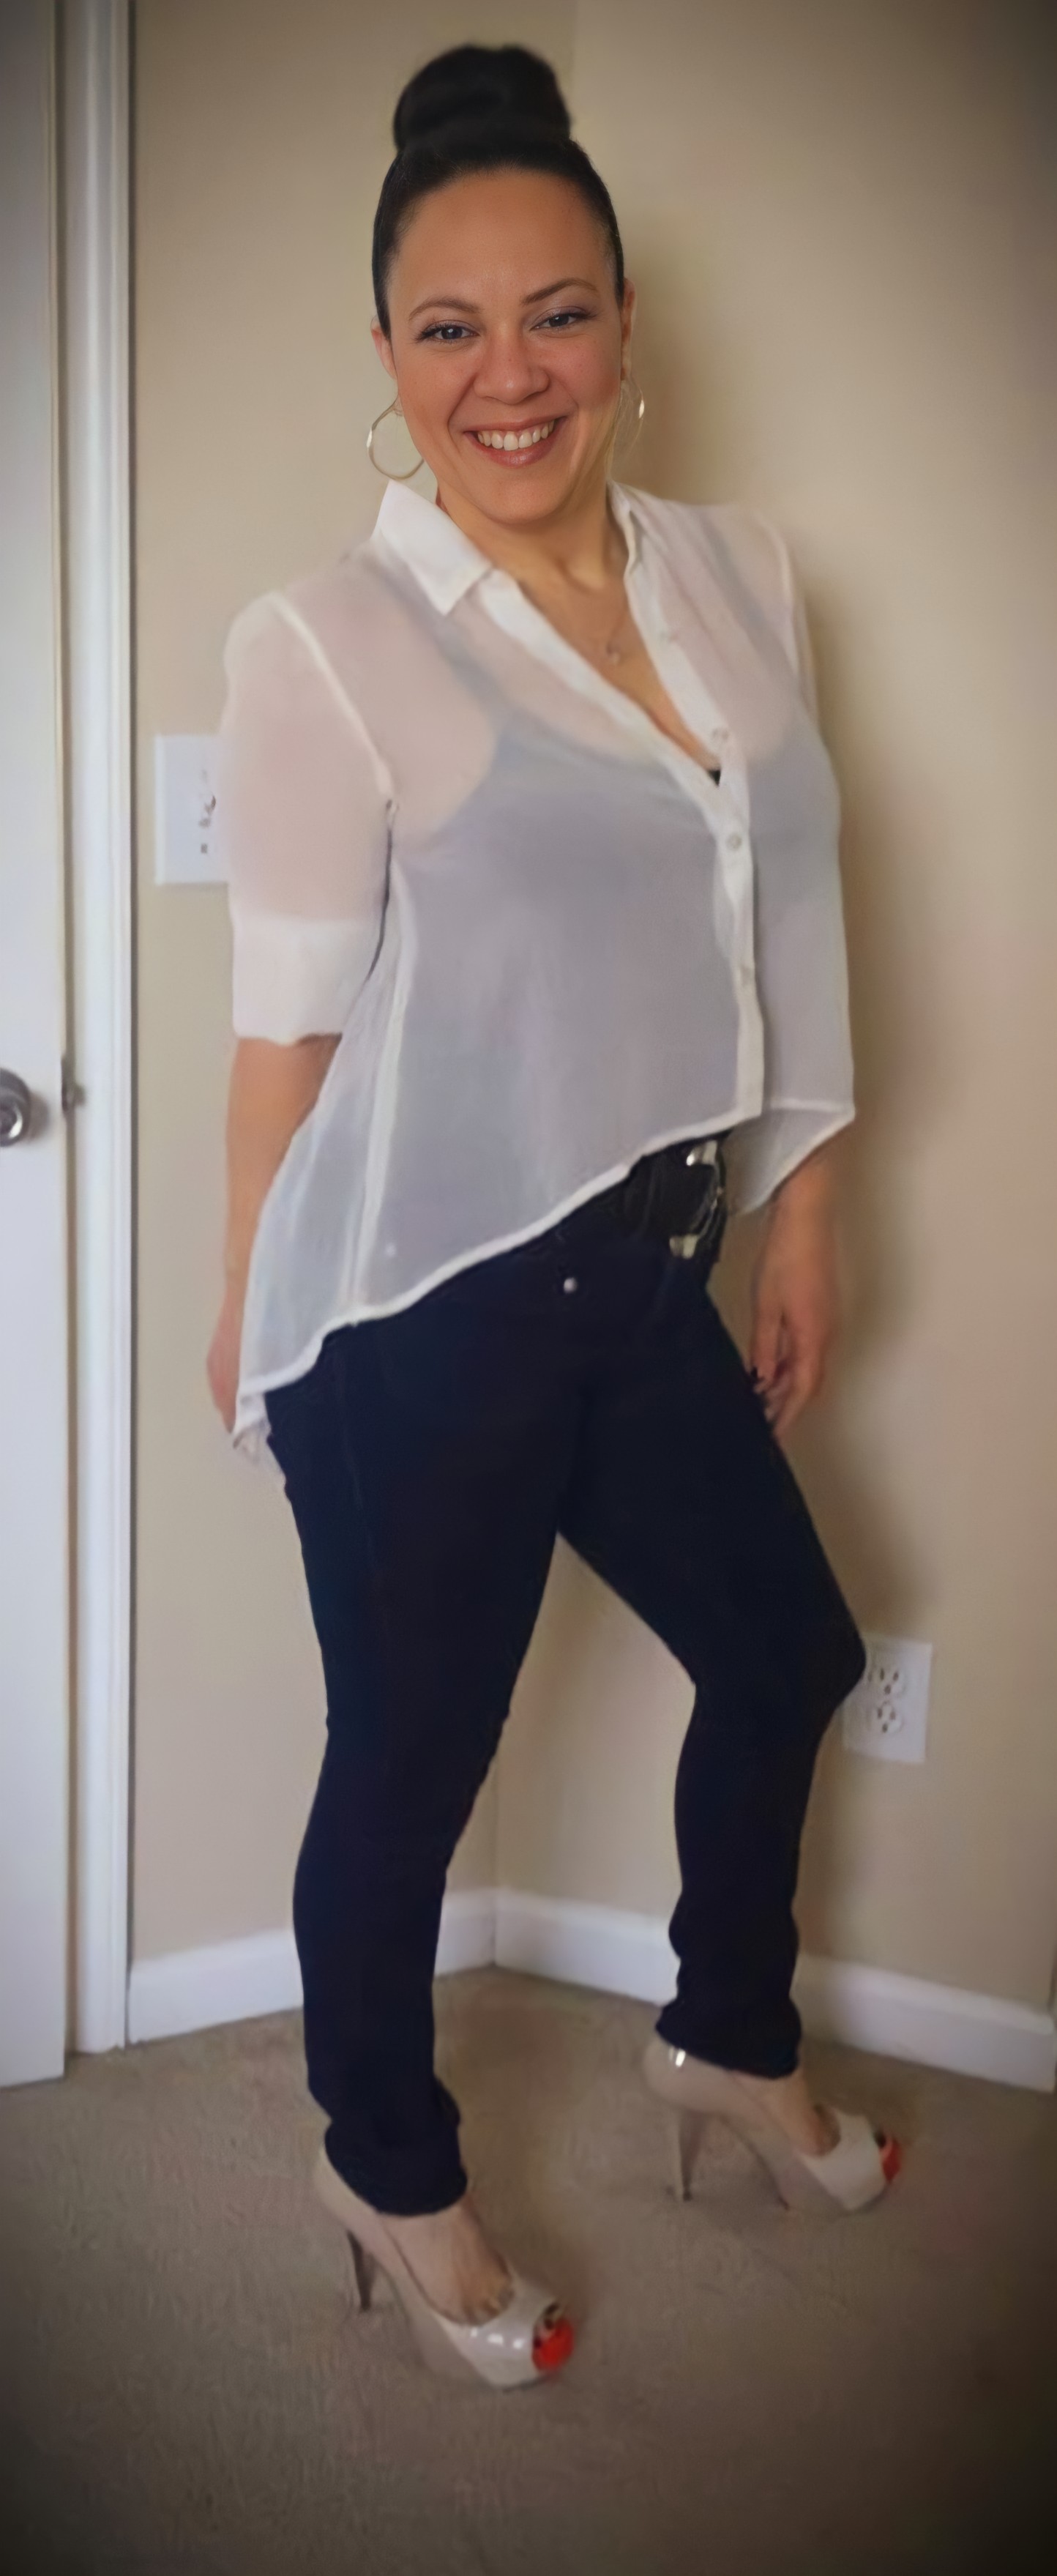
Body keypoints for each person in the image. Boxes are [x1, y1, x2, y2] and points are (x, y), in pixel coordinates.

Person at [207, 41, 898, 2391]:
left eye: (556, 314)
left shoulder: (734, 576)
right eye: (448, 328)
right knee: (410, 1764)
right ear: (388, 358)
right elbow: (286, 1038)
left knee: (788, 1654)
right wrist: (248, 1305)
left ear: (624, 326)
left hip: (647, 1265)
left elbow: (788, 904)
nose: (508, 375)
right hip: (423, 1295)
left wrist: (799, 1206)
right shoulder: (327, 640)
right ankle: (381, 2158)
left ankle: (725, 2034)